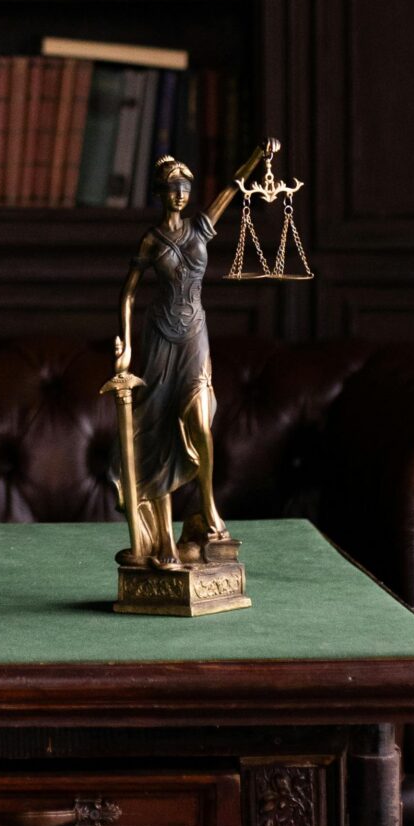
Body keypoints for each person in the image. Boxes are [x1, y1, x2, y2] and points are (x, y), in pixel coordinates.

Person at [109, 145, 266, 570]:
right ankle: (161, 539)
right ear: (160, 192)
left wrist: (256, 158)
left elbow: (233, 187)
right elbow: (128, 292)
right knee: (157, 429)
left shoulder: (201, 227)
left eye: (186, 186)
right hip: (160, 338)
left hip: (195, 332)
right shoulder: (151, 239)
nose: (181, 192)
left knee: (199, 421)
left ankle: (208, 506)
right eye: (173, 186)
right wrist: (123, 344)